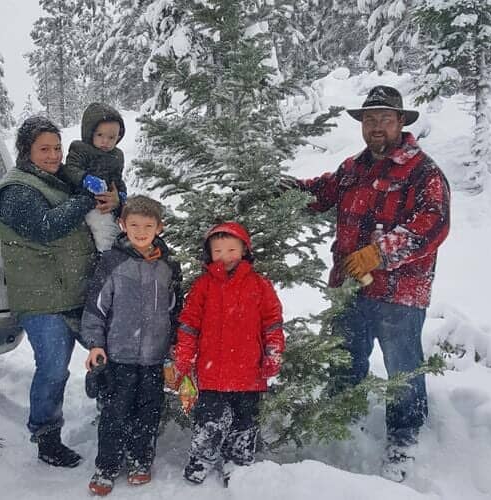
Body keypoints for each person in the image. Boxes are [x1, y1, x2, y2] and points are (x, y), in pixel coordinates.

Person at [292, 86, 450, 481]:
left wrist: (380, 253)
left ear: (400, 122)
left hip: (400, 293)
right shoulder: (354, 168)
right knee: (345, 358)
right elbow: (321, 191)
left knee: (402, 367)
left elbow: (432, 224)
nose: (375, 126)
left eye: (383, 119)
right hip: (350, 288)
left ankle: (404, 435)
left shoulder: (422, 171)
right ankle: (342, 423)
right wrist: (283, 191)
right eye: (368, 119)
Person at [0, 116, 117, 467]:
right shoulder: (15, 190)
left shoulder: (59, 179)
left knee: (109, 355)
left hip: (78, 292)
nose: (53, 155)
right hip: (41, 300)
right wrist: (86, 199)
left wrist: (111, 200)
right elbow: (45, 227)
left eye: (57, 148)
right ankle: (46, 434)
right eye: (44, 149)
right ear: (26, 151)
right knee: (53, 368)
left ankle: (115, 422)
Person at [166, 221, 285, 485]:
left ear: (244, 250)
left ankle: (239, 461)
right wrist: (183, 358)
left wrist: (273, 352)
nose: (225, 257)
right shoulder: (203, 287)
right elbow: (188, 325)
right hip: (212, 373)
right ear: (210, 254)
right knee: (209, 419)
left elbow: (272, 323)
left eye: (232, 250)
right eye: (218, 251)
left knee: (245, 421)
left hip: (249, 372)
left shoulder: (260, 285)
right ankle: (202, 456)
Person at [81, 195, 182, 496]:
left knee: (148, 411)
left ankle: (140, 460)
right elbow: (95, 308)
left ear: (159, 228)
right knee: (114, 412)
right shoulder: (112, 262)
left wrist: (174, 348)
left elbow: (176, 310)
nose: (140, 231)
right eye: (134, 225)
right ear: (123, 225)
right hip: (119, 355)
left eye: (148, 226)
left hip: (154, 357)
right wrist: (95, 344)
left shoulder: (168, 267)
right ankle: (107, 466)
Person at [59, 102, 127, 252]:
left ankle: (122, 253)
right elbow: (70, 168)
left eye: (111, 137)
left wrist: (121, 195)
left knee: (122, 226)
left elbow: (117, 179)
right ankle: (108, 256)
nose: (105, 141)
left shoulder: (117, 156)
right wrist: (85, 178)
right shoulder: (80, 149)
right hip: (85, 199)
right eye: (100, 135)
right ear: (90, 132)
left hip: (107, 201)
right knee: (104, 229)